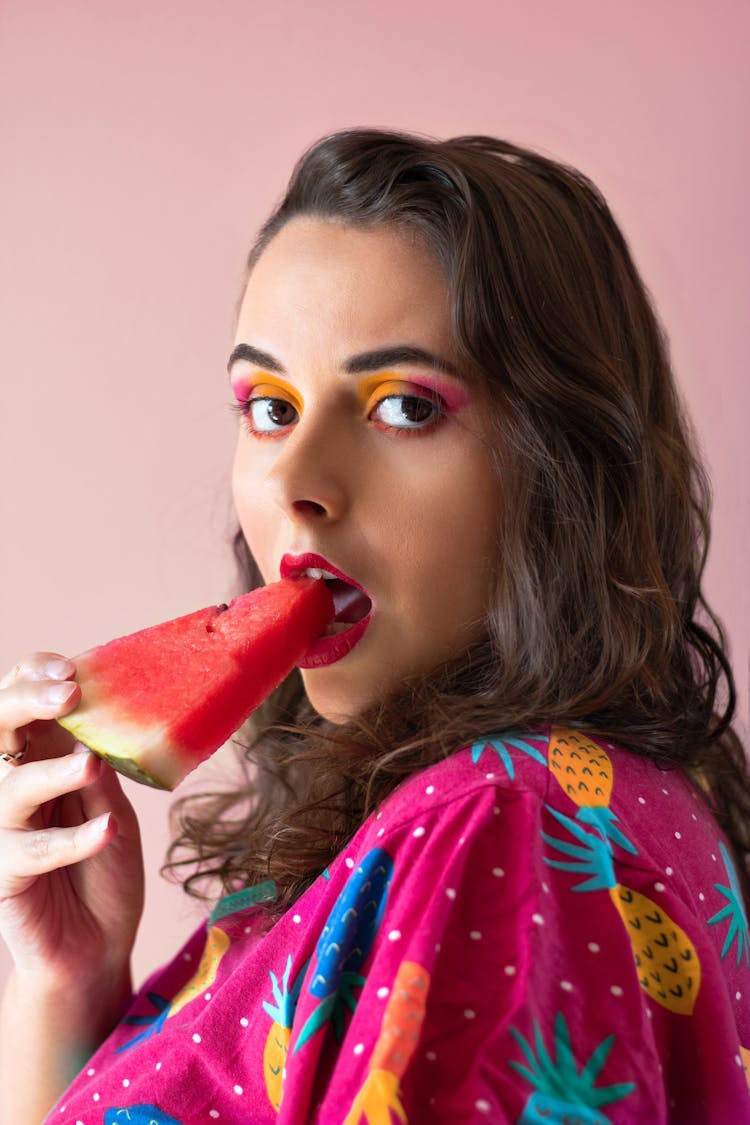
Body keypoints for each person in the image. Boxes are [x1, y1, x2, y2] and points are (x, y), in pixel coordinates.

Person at [0, 129, 748, 1125]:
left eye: (403, 406)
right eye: (270, 407)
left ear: (560, 465)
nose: (296, 482)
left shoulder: (494, 825)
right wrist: (71, 983)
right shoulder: (548, 807)